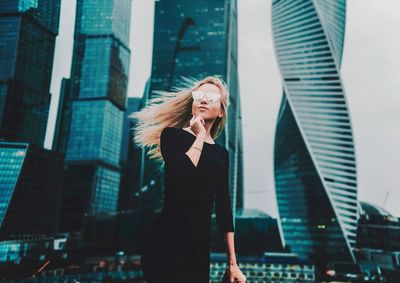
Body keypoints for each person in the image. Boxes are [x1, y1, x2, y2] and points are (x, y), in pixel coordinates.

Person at [130, 76, 246, 283]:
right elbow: (183, 174)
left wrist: (233, 264)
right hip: (166, 242)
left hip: (199, 249)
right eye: (199, 96)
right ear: (192, 104)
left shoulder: (222, 154)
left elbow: (224, 208)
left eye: (211, 97)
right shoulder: (172, 137)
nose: (203, 100)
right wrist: (199, 136)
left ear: (220, 111)